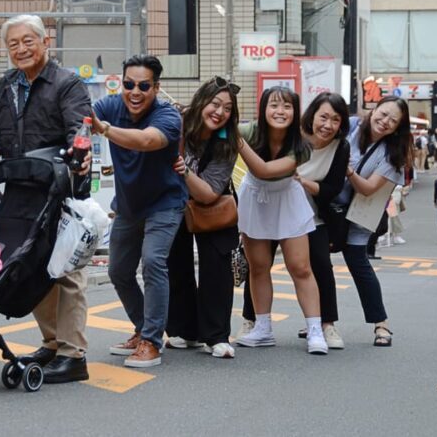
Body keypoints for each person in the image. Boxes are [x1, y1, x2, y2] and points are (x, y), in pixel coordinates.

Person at [0, 14, 92, 384]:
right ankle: (53, 343)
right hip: (20, 185)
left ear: (45, 42)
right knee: (30, 262)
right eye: (13, 44)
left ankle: (73, 355)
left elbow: (79, 129)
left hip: (59, 184)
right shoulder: (8, 83)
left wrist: (78, 155)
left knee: (65, 269)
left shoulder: (67, 82)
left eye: (28, 41)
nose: (21, 49)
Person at [92, 54, 187, 368]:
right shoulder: (111, 106)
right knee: (118, 271)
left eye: (143, 86)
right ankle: (142, 328)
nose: (135, 92)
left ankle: (151, 341)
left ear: (156, 88)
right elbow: (81, 115)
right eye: (128, 84)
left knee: (153, 262)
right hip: (128, 206)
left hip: (165, 203)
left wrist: (105, 129)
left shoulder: (167, 115)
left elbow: (147, 141)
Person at [239, 92, 350, 350]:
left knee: (301, 267)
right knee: (258, 267)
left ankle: (316, 330)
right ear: (263, 109)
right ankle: (262, 328)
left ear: (296, 112)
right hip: (254, 197)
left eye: (287, 106)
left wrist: (237, 142)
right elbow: (222, 130)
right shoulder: (250, 130)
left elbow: (265, 170)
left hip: (288, 197)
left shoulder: (302, 145)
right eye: (274, 105)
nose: (280, 111)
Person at [165, 76, 241, 359]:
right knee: (176, 263)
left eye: (227, 108)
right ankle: (185, 331)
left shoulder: (227, 142)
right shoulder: (177, 124)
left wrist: (184, 171)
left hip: (213, 205)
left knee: (217, 266)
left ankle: (217, 336)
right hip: (174, 201)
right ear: (200, 102)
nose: (220, 112)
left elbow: (209, 193)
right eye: (215, 104)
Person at [335, 95, 411, 347]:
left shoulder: (393, 155)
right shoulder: (351, 126)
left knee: (359, 264)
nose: (385, 121)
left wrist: (347, 170)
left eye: (393, 120)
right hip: (326, 208)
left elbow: (368, 189)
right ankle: (321, 321)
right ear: (373, 109)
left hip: (358, 214)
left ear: (398, 127)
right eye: (383, 113)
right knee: (317, 264)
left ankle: (381, 324)